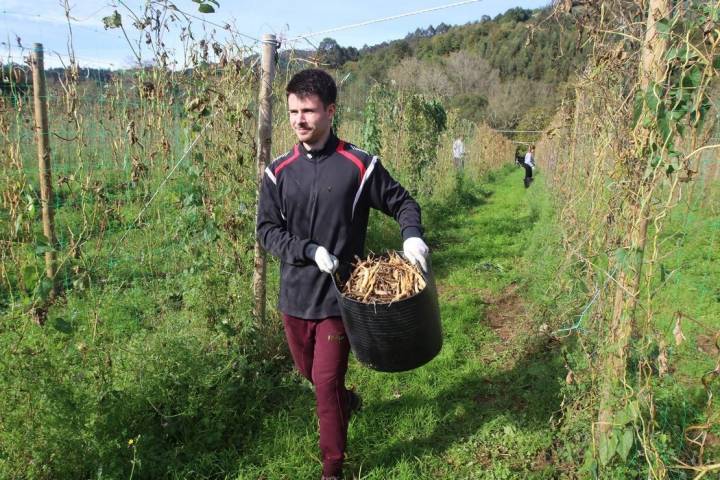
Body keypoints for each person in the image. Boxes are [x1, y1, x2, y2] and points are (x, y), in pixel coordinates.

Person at [256, 68, 429, 480]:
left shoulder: (359, 165)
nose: (299, 120)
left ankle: (332, 468)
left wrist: (412, 237)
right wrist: (307, 250)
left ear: (330, 111)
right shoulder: (277, 172)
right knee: (312, 375)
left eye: (309, 111)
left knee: (324, 383)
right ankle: (346, 401)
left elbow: (403, 203)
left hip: (340, 299)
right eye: (293, 111)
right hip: (294, 298)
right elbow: (266, 231)